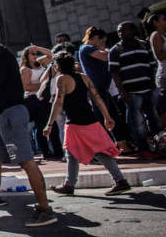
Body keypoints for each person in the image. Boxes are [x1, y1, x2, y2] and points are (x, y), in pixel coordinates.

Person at [0, 19, 57, 228]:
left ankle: (44, 208)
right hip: (0, 116)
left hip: (11, 114)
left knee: (25, 161)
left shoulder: (1, 56)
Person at [44, 52, 131, 196]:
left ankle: (70, 184)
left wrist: (49, 124)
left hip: (74, 122)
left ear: (58, 66)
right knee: (95, 152)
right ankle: (118, 181)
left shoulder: (61, 79)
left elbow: (58, 102)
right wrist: (107, 116)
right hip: (91, 120)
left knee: (75, 152)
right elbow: (97, 98)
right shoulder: (83, 77)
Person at [109, 21, 161, 158]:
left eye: (124, 30)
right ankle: (144, 148)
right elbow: (114, 72)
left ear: (133, 31)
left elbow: (151, 66)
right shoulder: (116, 50)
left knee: (154, 118)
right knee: (136, 122)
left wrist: (152, 84)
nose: (121, 34)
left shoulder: (144, 45)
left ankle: (160, 144)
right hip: (131, 91)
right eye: (119, 31)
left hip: (147, 88)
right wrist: (122, 91)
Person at [20, 44, 61, 159]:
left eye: (35, 54)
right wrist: (44, 85)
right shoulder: (25, 69)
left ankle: (57, 151)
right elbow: (26, 87)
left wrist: (37, 48)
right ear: (26, 56)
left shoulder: (40, 63)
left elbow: (52, 55)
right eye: (32, 54)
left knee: (52, 125)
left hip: (45, 98)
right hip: (34, 100)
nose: (35, 55)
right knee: (41, 125)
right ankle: (46, 152)